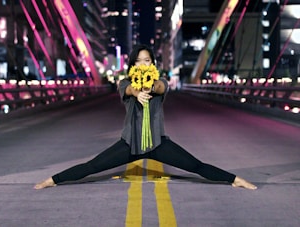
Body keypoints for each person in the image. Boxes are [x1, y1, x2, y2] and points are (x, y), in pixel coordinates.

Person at [34, 44, 257, 190]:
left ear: (153, 64)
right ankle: (53, 180)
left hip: (158, 145)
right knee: (92, 166)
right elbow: (129, 90)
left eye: (147, 60)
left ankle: (235, 180)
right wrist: (137, 90)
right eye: (139, 60)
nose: (143, 64)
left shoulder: (160, 82)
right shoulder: (125, 84)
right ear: (132, 64)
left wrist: (150, 86)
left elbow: (160, 87)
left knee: (195, 166)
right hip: (129, 145)